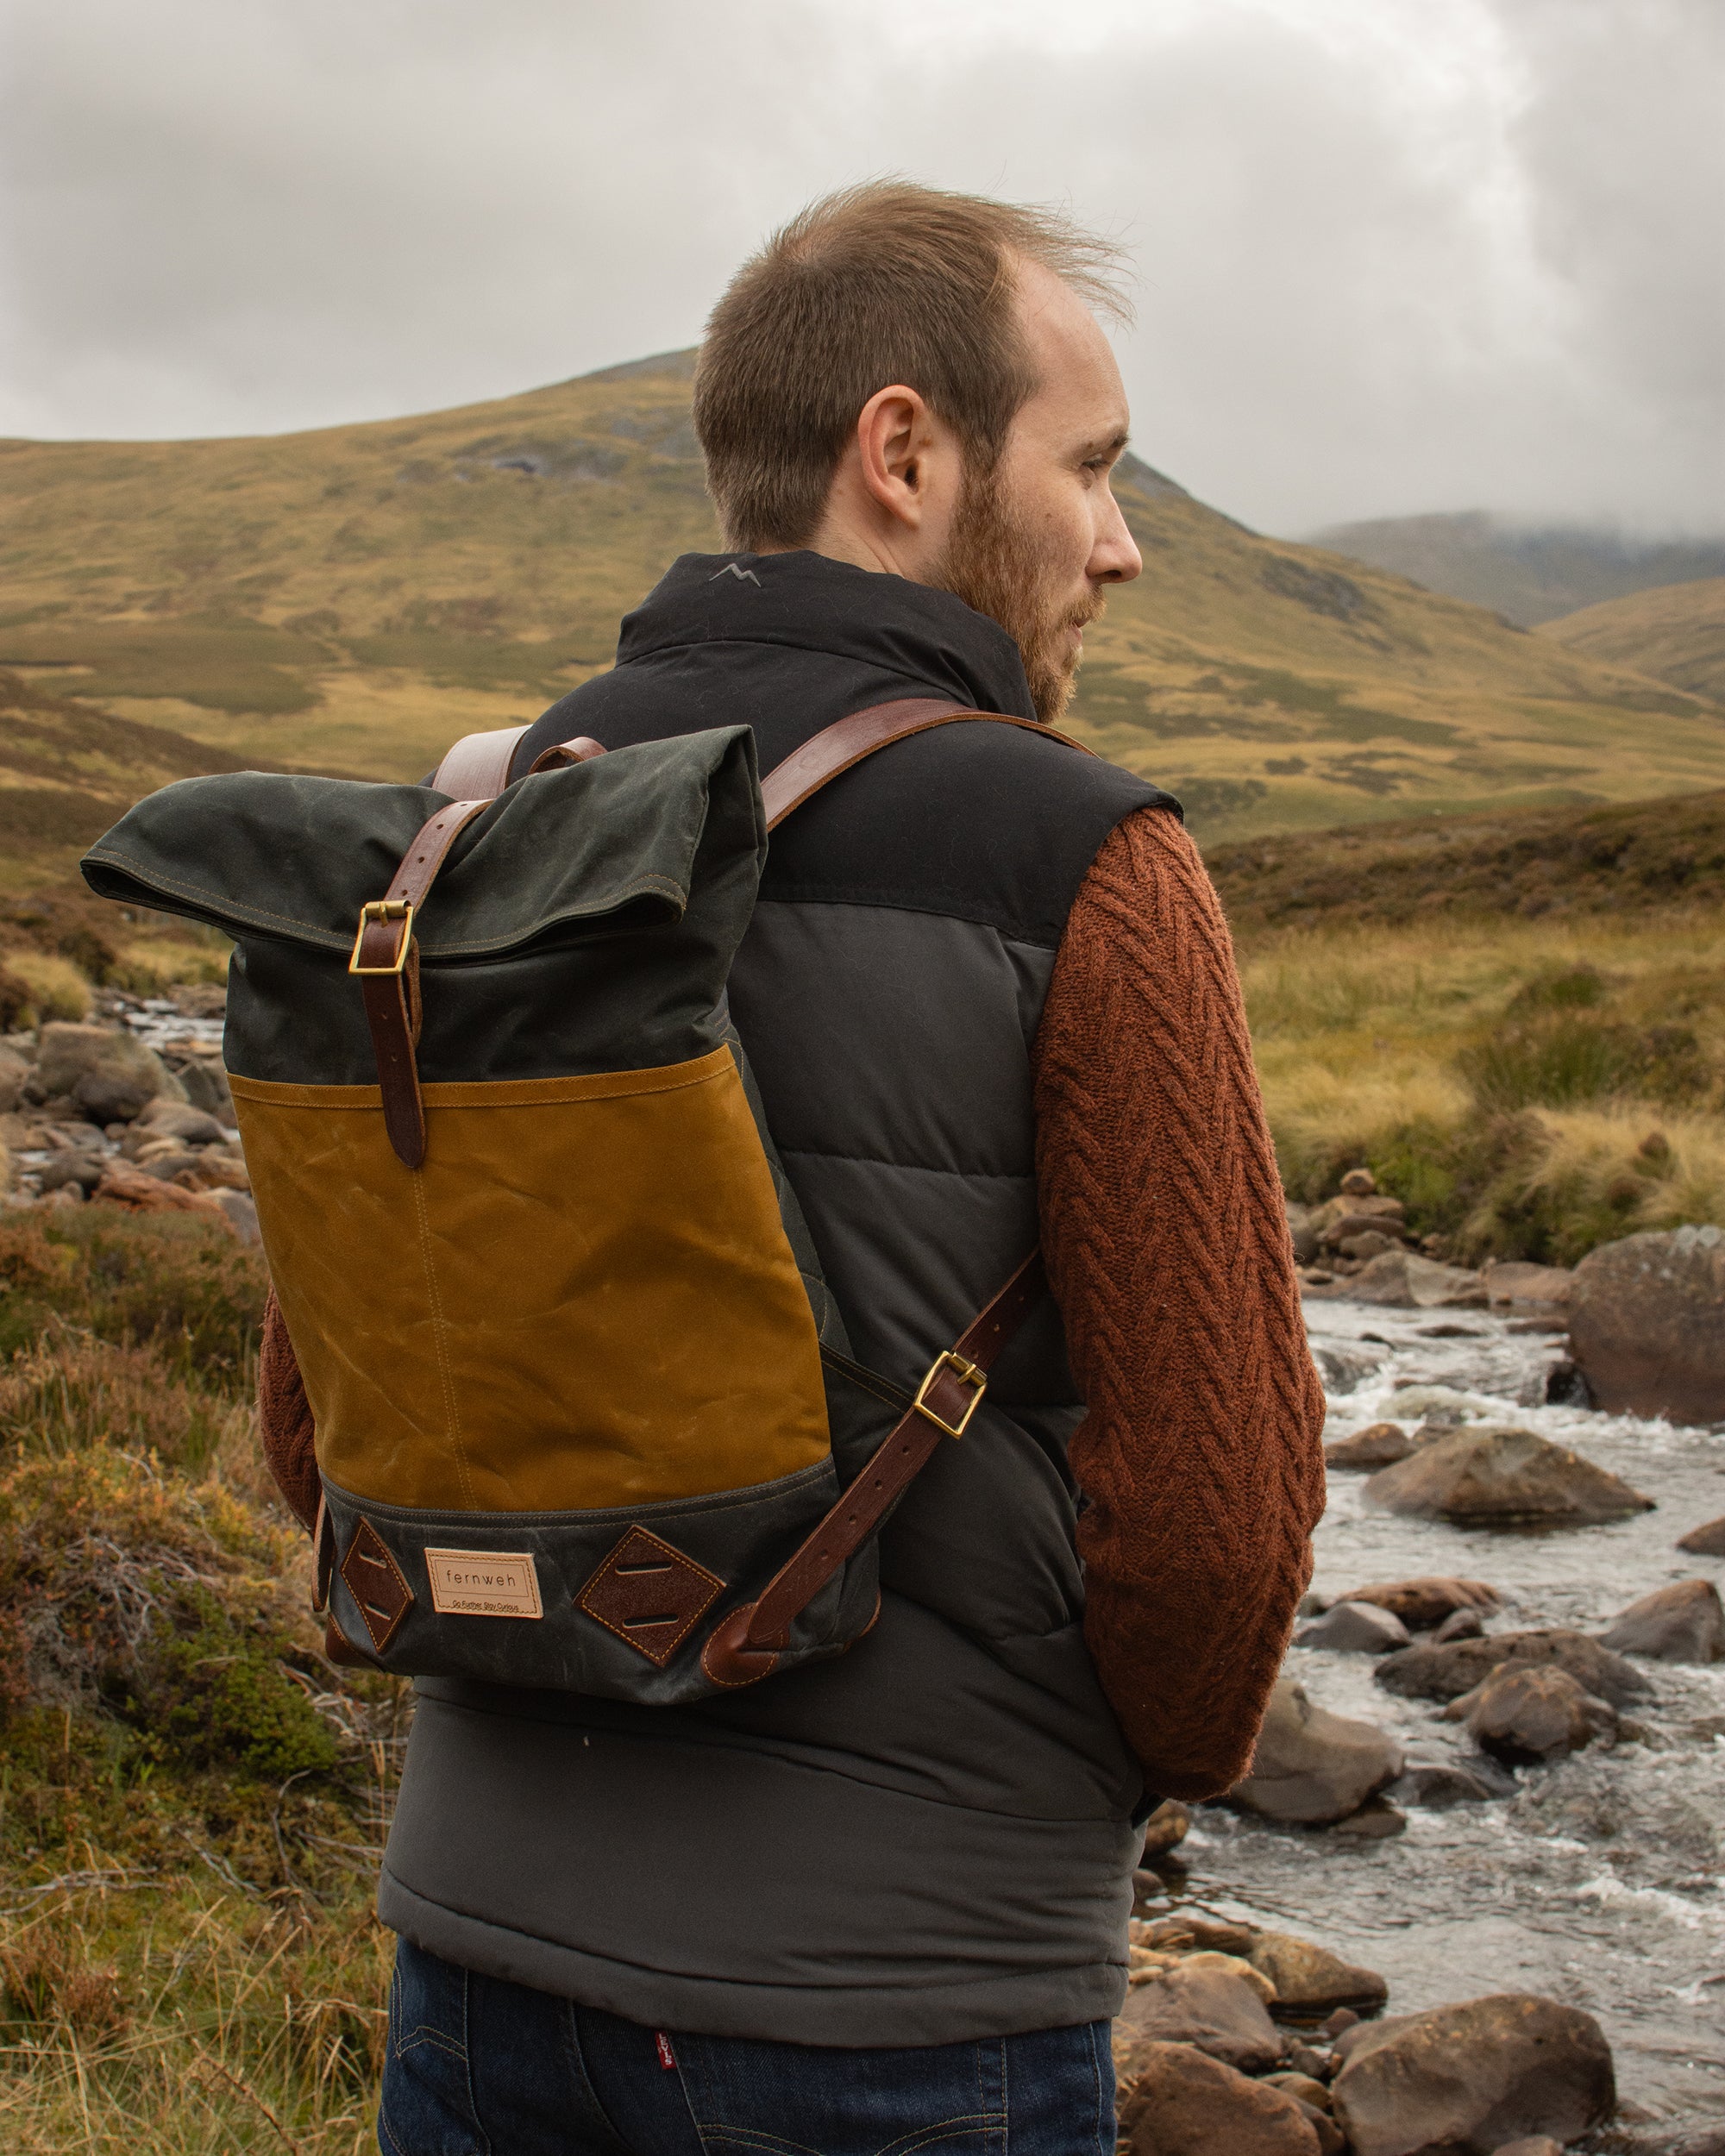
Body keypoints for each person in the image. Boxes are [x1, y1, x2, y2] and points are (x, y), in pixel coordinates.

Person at [258, 179, 1327, 2155]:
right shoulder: (1090, 858)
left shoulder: (474, 818)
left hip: (478, 1972)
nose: (1124, 542)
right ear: (902, 453)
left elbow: (328, 1426)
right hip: (899, 2016)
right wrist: (1053, 1797)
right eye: (1088, 467)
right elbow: (1216, 1526)